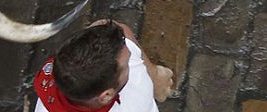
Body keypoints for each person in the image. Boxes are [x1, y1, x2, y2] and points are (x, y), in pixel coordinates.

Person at [33, 20, 173, 112]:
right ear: (106, 96)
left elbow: (117, 29)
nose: (131, 51)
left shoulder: (58, 73)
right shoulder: (136, 101)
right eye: (126, 66)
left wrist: (155, 75)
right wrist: (154, 78)